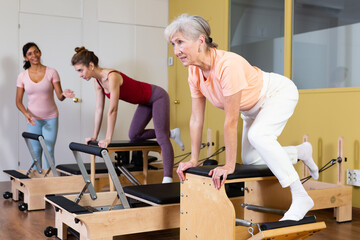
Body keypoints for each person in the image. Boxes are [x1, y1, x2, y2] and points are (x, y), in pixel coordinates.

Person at [165, 14, 319, 221]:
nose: (176, 51)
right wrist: (193, 159)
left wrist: (229, 165)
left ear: (201, 40)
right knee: (251, 159)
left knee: (259, 136)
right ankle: (300, 151)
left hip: (277, 94)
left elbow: (230, 121)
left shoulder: (228, 65)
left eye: (180, 42)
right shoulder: (194, 72)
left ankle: (300, 196)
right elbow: (196, 119)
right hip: (251, 108)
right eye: (173, 44)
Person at [71, 47, 184, 183]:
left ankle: (168, 179)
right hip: (144, 102)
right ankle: (171, 133)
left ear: (90, 65)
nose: (79, 75)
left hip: (157, 97)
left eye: (80, 70)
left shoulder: (112, 77)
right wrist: (95, 136)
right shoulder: (98, 83)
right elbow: (99, 109)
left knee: (161, 137)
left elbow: (113, 109)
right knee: (134, 136)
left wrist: (108, 138)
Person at [16, 42, 75, 169]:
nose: (34, 55)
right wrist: (26, 114)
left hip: (51, 118)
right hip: (33, 120)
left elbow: (59, 96)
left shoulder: (52, 72)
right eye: (30, 54)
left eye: (36, 51)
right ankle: (38, 184)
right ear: (26, 58)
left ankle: (50, 183)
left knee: (48, 151)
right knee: (36, 153)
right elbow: (18, 101)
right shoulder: (22, 76)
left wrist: (64, 94)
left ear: (40, 52)